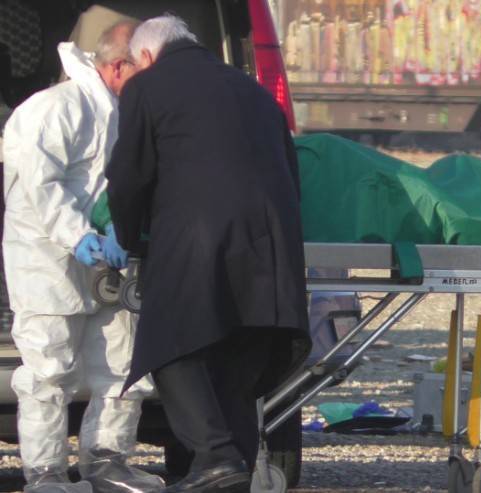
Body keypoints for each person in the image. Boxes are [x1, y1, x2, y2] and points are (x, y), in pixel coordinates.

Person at [106, 15, 311, 493]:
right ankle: (231, 471)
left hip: (197, 241)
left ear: (146, 56)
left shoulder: (147, 87)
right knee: (238, 362)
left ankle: (215, 457)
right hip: (270, 246)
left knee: (170, 347)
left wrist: (129, 237)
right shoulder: (255, 91)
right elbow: (290, 169)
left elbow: (130, 175)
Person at [2, 21, 163, 493]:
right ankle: (46, 473)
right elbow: (40, 185)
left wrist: (122, 226)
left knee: (122, 362)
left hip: (109, 262)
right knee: (49, 370)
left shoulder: (124, 112)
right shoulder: (54, 108)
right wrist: (78, 236)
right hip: (48, 260)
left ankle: (107, 462)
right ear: (119, 66)